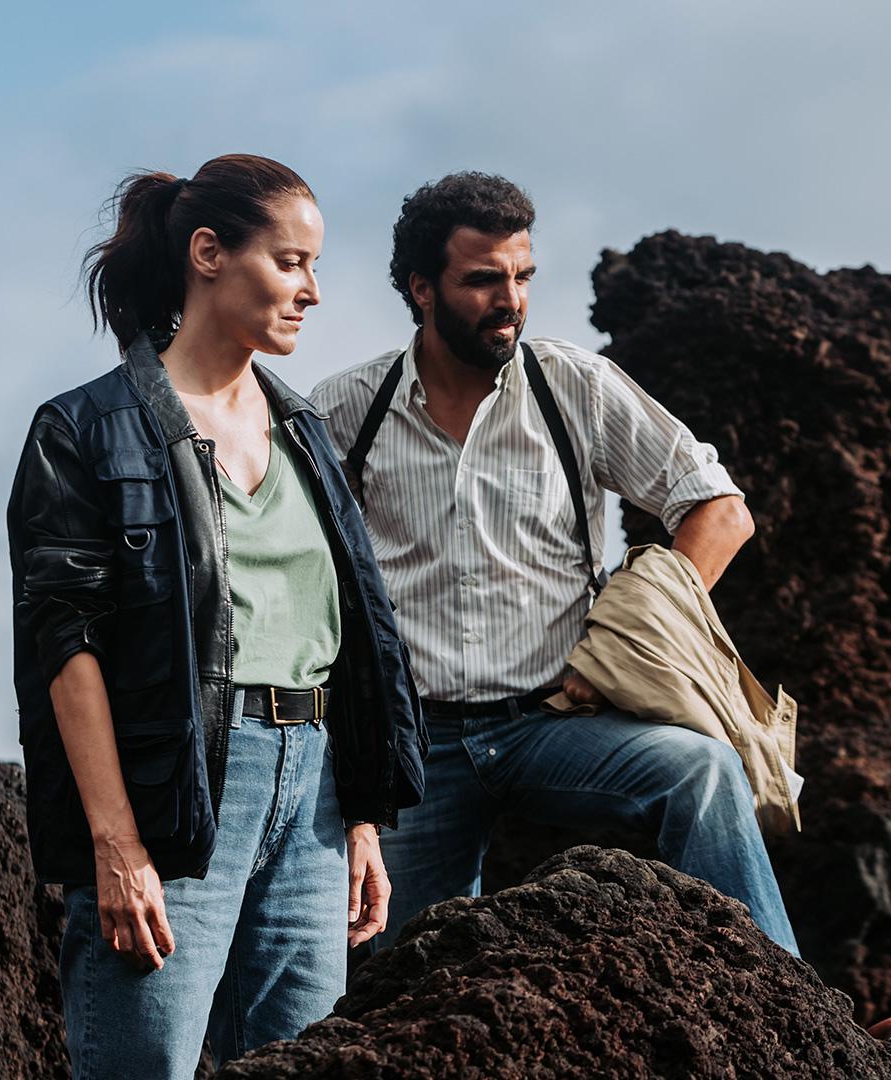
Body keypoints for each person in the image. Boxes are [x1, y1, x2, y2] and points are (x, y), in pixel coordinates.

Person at [7, 154, 425, 1079]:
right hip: (177, 791)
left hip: (311, 792)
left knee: (302, 1062)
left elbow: (344, 635)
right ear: (208, 253)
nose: (313, 291)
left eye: (316, 267)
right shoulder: (85, 430)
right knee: (143, 1066)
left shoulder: (306, 428)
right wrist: (115, 846)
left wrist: (359, 818)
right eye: (290, 262)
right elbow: (65, 649)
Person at [310, 172, 799, 955]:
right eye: (483, 280)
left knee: (701, 775)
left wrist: (620, 643)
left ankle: (789, 1021)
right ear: (422, 289)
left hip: (557, 721)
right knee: (386, 975)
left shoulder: (570, 384)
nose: (510, 300)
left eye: (522, 276)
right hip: (415, 748)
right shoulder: (344, 411)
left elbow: (718, 510)